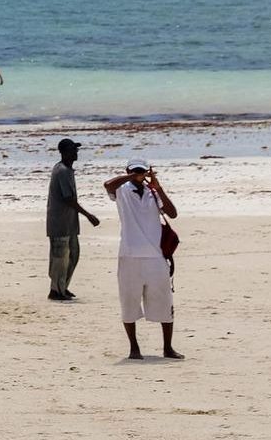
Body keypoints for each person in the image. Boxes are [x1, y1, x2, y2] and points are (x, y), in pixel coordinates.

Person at [104, 159, 182, 360]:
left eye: (142, 171)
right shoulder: (122, 191)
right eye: (135, 170)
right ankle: (134, 349)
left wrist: (158, 187)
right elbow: (108, 185)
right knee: (129, 303)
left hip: (155, 257)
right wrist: (132, 177)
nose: (139, 174)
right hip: (129, 256)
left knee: (165, 303)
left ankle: (168, 348)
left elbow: (172, 213)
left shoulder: (153, 193)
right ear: (128, 171)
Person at [46, 138, 100, 301]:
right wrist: (88, 215)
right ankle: (56, 290)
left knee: (73, 255)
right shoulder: (61, 171)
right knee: (59, 257)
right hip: (59, 222)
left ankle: (63, 287)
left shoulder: (67, 170)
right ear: (63, 152)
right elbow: (68, 199)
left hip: (69, 223)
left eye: (76, 150)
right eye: (72, 150)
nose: (75, 153)